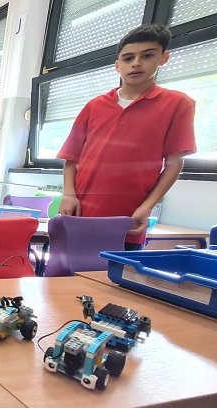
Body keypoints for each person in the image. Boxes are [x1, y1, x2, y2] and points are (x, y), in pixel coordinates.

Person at [57, 24, 196, 251]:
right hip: (80, 214)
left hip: (128, 220)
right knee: (68, 271)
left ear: (164, 58)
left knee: (116, 273)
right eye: (128, 58)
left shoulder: (178, 104)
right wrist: (68, 195)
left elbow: (174, 163)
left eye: (147, 56)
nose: (136, 63)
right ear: (117, 65)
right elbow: (71, 159)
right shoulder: (94, 106)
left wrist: (147, 206)